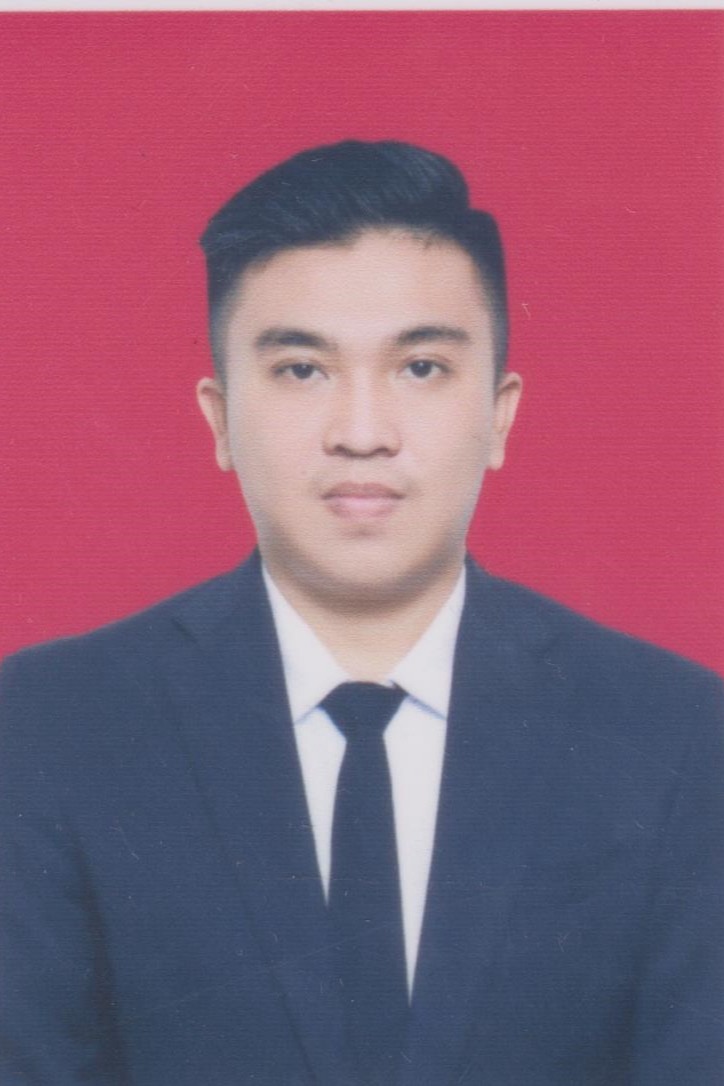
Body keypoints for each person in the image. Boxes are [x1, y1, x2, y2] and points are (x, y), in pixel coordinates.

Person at [1, 140, 721, 1086]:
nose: (363, 432)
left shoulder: (676, 735)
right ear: (219, 418)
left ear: (500, 415)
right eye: (303, 370)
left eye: (420, 367)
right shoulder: (49, 725)